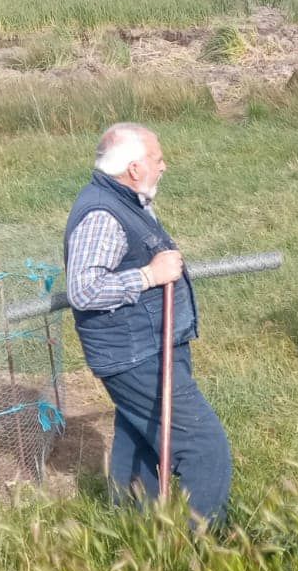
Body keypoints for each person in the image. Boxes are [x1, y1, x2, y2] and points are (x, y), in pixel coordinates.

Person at [64, 122, 232, 526]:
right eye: (158, 159)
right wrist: (149, 275)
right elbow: (83, 290)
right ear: (135, 167)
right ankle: (197, 545)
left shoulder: (127, 200)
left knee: (138, 438)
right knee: (203, 446)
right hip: (134, 352)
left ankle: (134, 529)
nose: (164, 165)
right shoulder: (103, 214)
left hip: (149, 343)